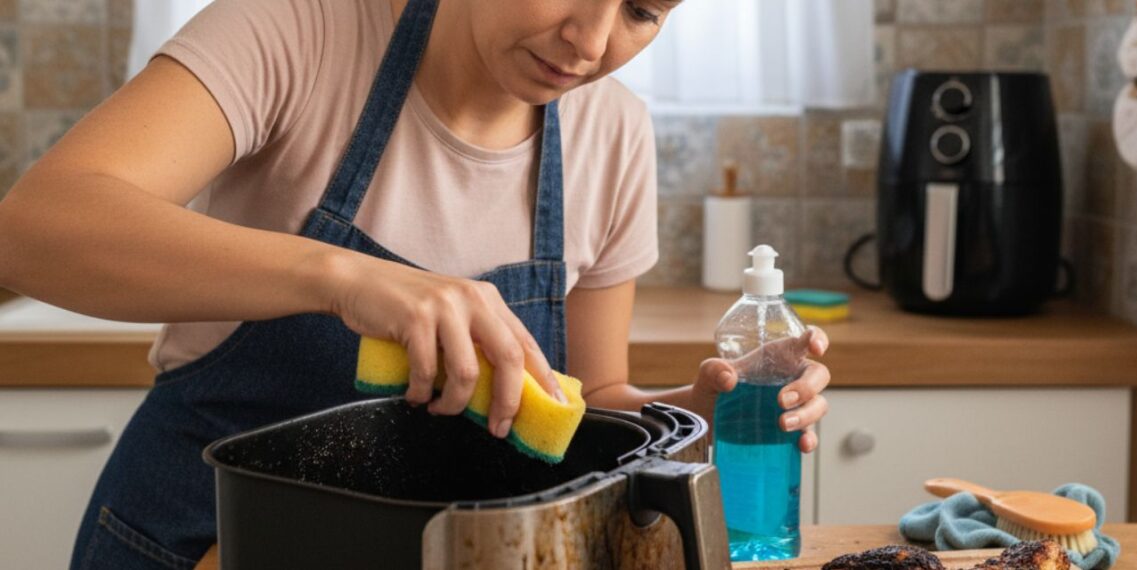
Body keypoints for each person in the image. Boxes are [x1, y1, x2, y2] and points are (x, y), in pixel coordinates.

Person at [0, 0, 832, 568]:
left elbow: (593, 395)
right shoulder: (297, 30)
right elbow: (33, 230)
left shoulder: (611, 133)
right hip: (199, 547)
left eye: (642, 11)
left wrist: (688, 414)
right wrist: (344, 278)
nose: (591, 39)